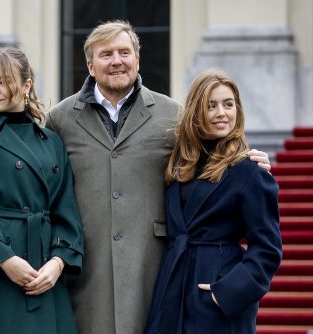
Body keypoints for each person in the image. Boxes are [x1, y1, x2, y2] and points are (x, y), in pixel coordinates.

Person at [44, 20, 272, 334]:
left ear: (137, 59)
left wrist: (247, 158)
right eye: (106, 54)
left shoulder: (172, 115)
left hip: (158, 269)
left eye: (124, 52)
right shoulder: (59, 119)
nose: (117, 61)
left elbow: (210, 153)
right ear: (90, 64)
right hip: (88, 271)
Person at [0, 47, 84, 334]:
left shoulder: (51, 141)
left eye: (4, 81)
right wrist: (5, 260)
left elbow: (66, 212)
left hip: (44, 272)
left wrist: (57, 264)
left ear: (26, 85)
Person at [144, 69, 282, 333]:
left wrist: (228, 291)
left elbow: (268, 248)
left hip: (216, 292)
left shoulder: (250, 170)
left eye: (228, 105)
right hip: (173, 286)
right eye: (211, 106)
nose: (222, 113)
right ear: (196, 112)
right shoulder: (180, 164)